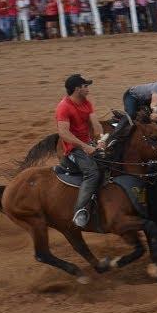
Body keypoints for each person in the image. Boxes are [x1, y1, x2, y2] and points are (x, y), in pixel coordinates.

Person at [56, 74, 104, 229]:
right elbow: (63, 133)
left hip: (88, 143)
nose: (88, 88)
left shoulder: (86, 103)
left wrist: (101, 139)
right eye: (85, 86)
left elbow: (96, 124)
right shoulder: (64, 107)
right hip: (74, 149)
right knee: (92, 173)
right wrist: (85, 146)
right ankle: (80, 211)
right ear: (77, 89)